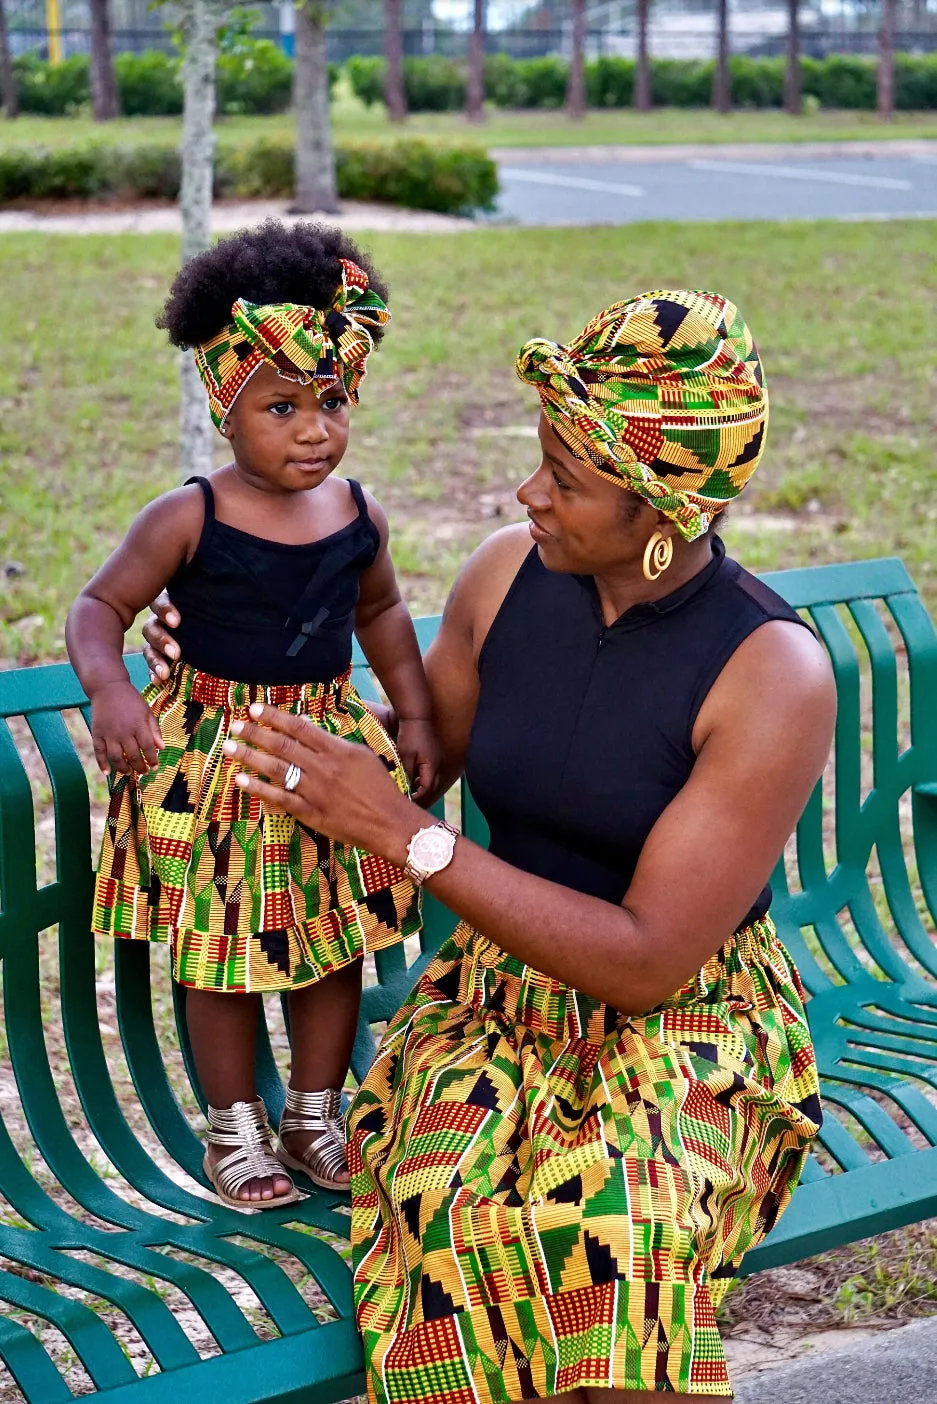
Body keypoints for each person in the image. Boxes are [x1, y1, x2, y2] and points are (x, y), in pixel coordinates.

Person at [142, 289, 835, 1400]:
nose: (529, 494)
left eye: (566, 480)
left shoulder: (768, 670)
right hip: (496, 1004)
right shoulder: (507, 574)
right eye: (538, 463)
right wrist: (223, 642)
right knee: (443, 1205)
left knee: (620, 1225)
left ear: (662, 510)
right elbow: (402, 769)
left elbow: (647, 957)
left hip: (694, 1020)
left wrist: (413, 843)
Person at [67, 221, 437, 1209]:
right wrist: (110, 690)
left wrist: (413, 712)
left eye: (332, 403)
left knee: (328, 942)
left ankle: (316, 1113)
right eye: (281, 407)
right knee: (219, 957)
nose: (314, 430)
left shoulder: (357, 512)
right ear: (225, 409)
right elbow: (99, 608)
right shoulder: (188, 516)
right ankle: (234, 1129)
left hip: (321, 757)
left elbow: (382, 612)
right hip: (215, 765)